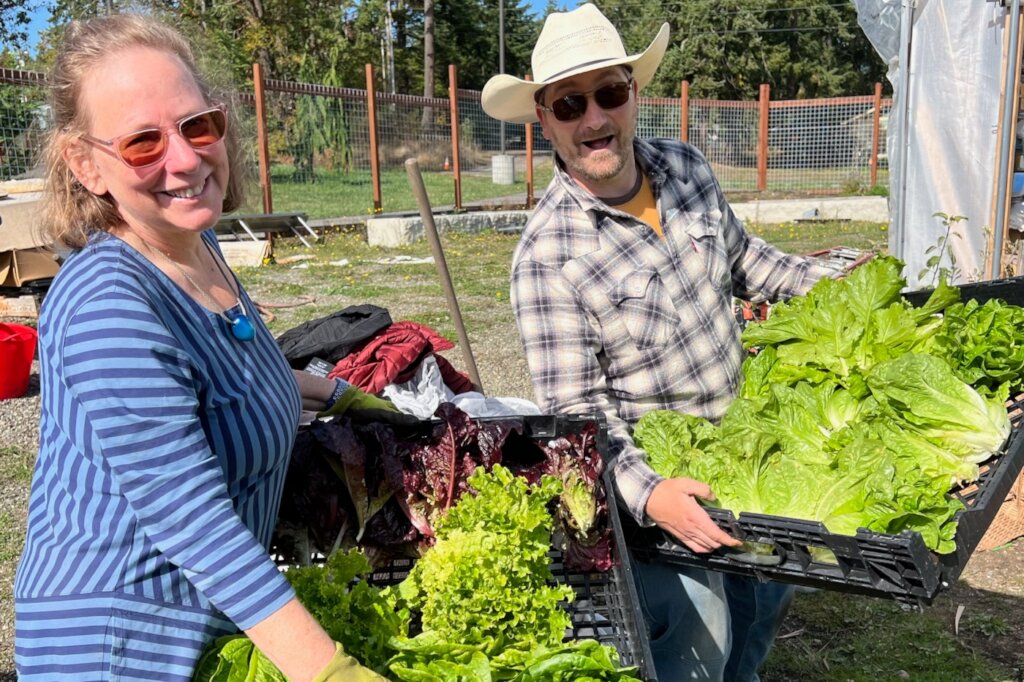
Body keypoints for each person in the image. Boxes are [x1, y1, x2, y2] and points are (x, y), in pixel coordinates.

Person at [14, 14, 402, 682]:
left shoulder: (197, 246)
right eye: (143, 142)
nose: (187, 159)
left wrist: (342, 394)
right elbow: (196, 525)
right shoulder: (110, 304)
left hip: (207, 627)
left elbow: (233, 370)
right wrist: (329, 671)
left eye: (198, 125)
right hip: (121, 645)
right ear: (86, 164)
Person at [482, 5, 839, 681]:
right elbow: (578, 422)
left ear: (633, 92)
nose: (594, 119)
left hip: (743, 450)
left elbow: (747, 264)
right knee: (700, 631)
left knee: (764, 600)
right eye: (569, 104)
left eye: (610, 93)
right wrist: (652, 496)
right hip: (659, 480)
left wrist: (840, 286)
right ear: (544, 119)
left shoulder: (684, 168)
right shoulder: (547, 256)